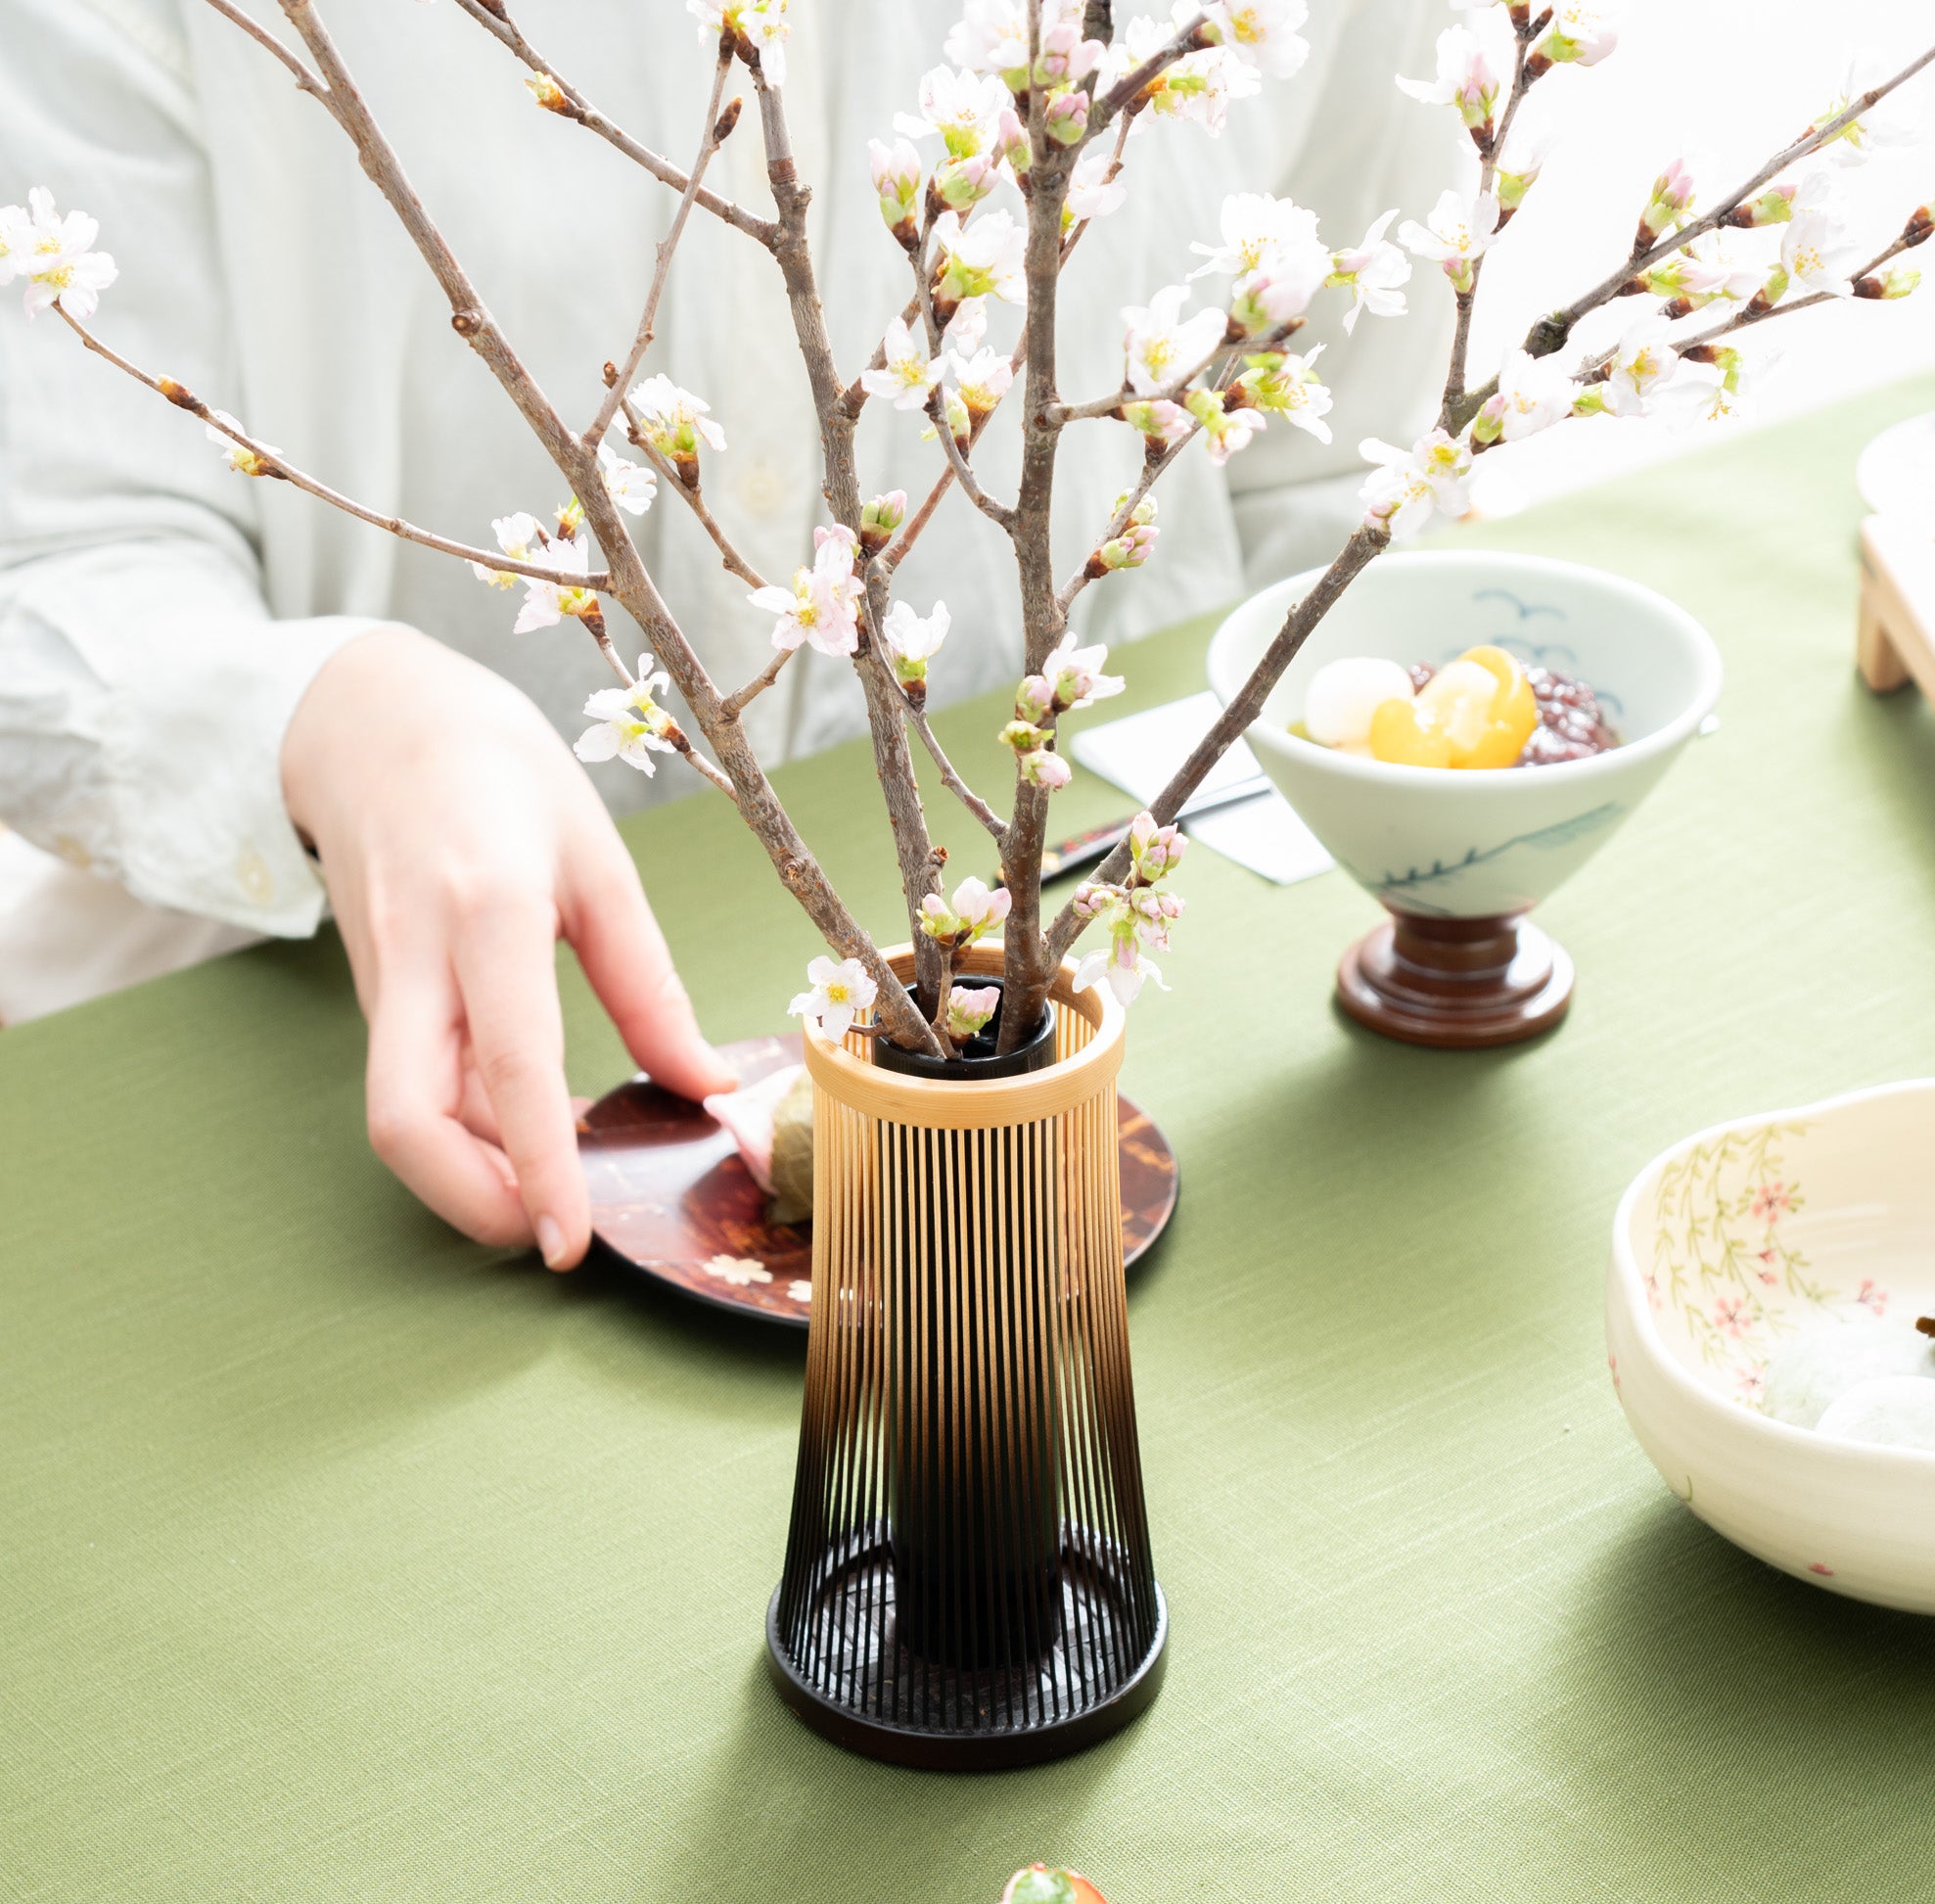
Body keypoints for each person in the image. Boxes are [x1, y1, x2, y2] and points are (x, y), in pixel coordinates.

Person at [0, 0, 1456, 1266]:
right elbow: (61, 550)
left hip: (1141, 998)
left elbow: (1342, 479)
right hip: (335, 1053)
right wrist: (319, 711)